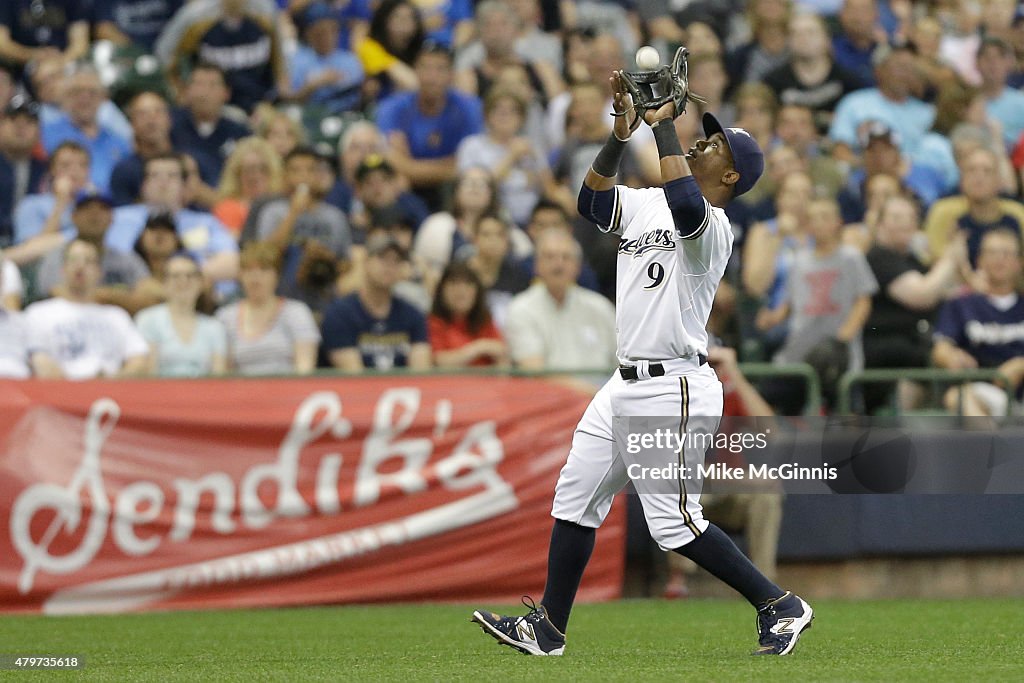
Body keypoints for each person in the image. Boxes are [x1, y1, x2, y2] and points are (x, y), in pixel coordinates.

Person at [471, 69, 813, 657]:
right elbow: (590, 202)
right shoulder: (647, 201)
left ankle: (780, 605)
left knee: (673, 523)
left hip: (673, 384)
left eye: (715, 143)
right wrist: (621, 134)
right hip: (622, 381)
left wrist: (662, 131)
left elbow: (686, 207)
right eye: (702, 136)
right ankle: (549, 628)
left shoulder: (717, 227)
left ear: (730, 175)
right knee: (575, 496)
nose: (702, 140)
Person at [863, 196, 964, 412]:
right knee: (940, 360)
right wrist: (950, 256)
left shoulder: (912, 260)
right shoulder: (879, 256)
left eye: (911, 217)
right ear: (879, 224)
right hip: (886, 350)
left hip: (915, 345)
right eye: (897, 217)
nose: (906, 223)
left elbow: (946, 291)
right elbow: (922, 295)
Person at [375, 42, 484, 209]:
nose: (432, 77)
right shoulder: (392, 108)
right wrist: (445, 166)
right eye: (425, 68)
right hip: (405, 188)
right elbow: (390, 161)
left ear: (451, 75)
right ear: (415, 71)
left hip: (452, 189)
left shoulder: (470, 108)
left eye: (440, 69)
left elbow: (467, 164)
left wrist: (409, 167)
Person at [23, 240, 150, 379]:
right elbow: (40, 361)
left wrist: (111, 382)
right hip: (60, 393)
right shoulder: (38, 313)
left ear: (99, 272)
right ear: (63, 269)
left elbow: (139, 361)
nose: (80, 266)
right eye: (74, 259)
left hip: (111, 391)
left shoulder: (117, 316)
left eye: (88, 261)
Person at [933, 228, 1024, 417]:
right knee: (957, 397)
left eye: (1007, 253)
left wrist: (1020, 365)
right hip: (985, 390)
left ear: (1019, 263)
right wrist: (951, 357)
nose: (999, 259)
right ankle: (994, 445)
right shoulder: (961, 304)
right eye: (992, 253)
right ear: (979, 260)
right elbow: (940, 348)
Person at [503, 228, 614, 369]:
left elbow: (622, 362)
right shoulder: (520, 309)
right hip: (547, 391)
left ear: (578, 267)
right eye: (550, 257)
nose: (559, 264)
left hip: (604, 388)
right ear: (537, 265)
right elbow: (534, 371)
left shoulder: (600, 307)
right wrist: (589, 391)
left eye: (566, 257)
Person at [320, 233, 431, 371]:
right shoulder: (339, 314)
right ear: (366, 262)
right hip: (354, 391)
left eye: (396, 260)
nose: (390, 266)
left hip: (403, 391)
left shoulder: (413, 315)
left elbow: (421, 373)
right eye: (382, 258)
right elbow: (353, 375)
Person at [34, 189, 154, 312]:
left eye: (102, 209)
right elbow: (56, 293)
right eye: (87, 209)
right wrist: (117, 296)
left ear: (112, 218)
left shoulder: (125, 259)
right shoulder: (58, 254)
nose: (94, 214)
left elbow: (150, 297)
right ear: (73, 217)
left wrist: (100, 294)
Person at [215, 242, 320, 375]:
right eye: (249, 270)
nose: (255, 277)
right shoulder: (225, 317)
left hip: (288, 391)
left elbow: (305, 367)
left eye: (264, 269)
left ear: (277, 275)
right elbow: (222, 372)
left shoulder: (296, 312)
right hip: (241, 392)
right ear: (240, 275)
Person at [165, 0, 287, 113]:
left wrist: (273, 99)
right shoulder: (196, 16)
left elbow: (279, 60)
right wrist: (181, 92)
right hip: (211, 105)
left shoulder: (265, 12)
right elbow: (167, 55)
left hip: (260, 103)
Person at [924, 147, 1024, 266]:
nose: (979, 177)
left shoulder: (1017, 214)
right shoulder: (943, 211)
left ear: (999, 180)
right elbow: (934, 261)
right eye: (971, 170)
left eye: (987, 171)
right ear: (961, 179)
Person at [40, 65, 132, 192]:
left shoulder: (118, 141)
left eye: (92, 93)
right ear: (64, 97)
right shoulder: (45, 134)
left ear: (103, 98)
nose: (85, 98)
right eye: (77, 92)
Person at [136, 252, 228, 377]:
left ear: (200, 283)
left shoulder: (215, 327)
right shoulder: (148, 319)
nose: (183, 281)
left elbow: (219, 375)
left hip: (203, 394)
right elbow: (148, 373)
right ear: (165, 283)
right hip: (160, 393)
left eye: (190, 276)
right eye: (175, 276)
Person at [170, 63, 251, 191]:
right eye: (198, 84)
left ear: (226, 93)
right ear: (187, 90)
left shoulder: (240, 133)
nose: (204, 92)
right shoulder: (169, 124)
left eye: (212, 85)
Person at [427, 260, 507, 367]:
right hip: (449, 382)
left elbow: (502, 352)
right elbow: (441, 361)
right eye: (453, 283)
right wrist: (480, 347)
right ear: (441, 290)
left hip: (486, 382)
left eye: (468, 284)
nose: (461, 291)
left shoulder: (484, 320)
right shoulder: (434, 323)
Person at [290, 3, 365, 114]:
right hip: (311, 116)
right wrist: (311, 87)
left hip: (347, 114)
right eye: (320, 33)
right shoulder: (297, 61)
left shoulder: (350, 60)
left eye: (333, 31)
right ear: (308, 34)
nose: (327, 37)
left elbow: (359, 95)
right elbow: (291, 101)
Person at [108, 91, 175, 207]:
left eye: (157, 112)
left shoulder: (189, 162)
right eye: (142, 114)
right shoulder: (123, 171)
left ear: (169, 119)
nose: (151, 120)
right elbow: (122, 214)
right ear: (132, 123)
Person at [213, 136, 283, 236]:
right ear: (237, 174)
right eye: (250, 169)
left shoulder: (282, 204)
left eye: (263, 169)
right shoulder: (227, 208)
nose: (256, 175)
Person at [0, 97, 47, 244]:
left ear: (39, 132)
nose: (21, 127)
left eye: (29, 122)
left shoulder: (45, 169)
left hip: (30, 243)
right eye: (14, 120)